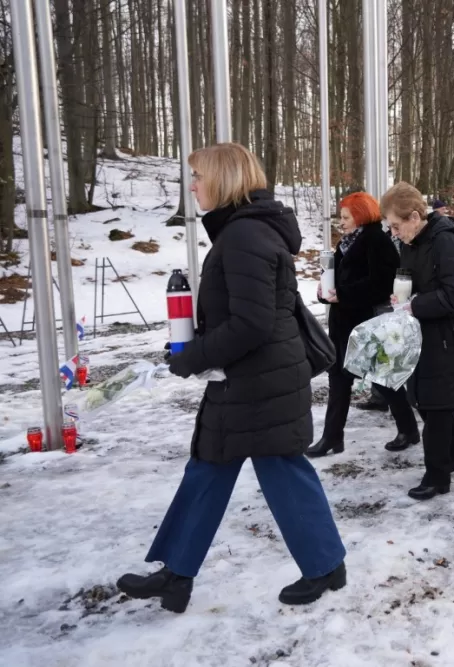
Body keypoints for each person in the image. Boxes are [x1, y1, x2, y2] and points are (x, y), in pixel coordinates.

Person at [116, 143, 347, 612]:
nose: (193, 186)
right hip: (247, 379)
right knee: (207, 466)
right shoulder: (244, 232)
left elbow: (253, 323)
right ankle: (177, 575)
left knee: (282, 470)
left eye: (198, 177)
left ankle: (326, 566)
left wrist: (194, 356)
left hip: (263, 381)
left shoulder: (244, 237)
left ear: (222, 180)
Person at [383, 182, 454, 500]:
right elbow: (415, 280)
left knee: (436, 407)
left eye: (397, 226)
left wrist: (416, 305)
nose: (394, 233)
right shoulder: (411, 242)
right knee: (426, 402)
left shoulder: (444, 242)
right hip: (421, 333)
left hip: (444, 338)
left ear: (414, 216)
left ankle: (437, 476)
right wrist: (401, 298)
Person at [308, 193, 420, 457]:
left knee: (381, 379)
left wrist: (343, 294)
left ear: (360, 214)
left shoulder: (376, 240)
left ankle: (408, 428)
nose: (341, 221)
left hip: (365, 324)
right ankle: (333, 437)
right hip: (343, 322)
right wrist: (324, 289)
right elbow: (336, 276)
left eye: (346, 216)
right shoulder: (348, 242)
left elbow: (382, 283)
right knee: (339, 380)